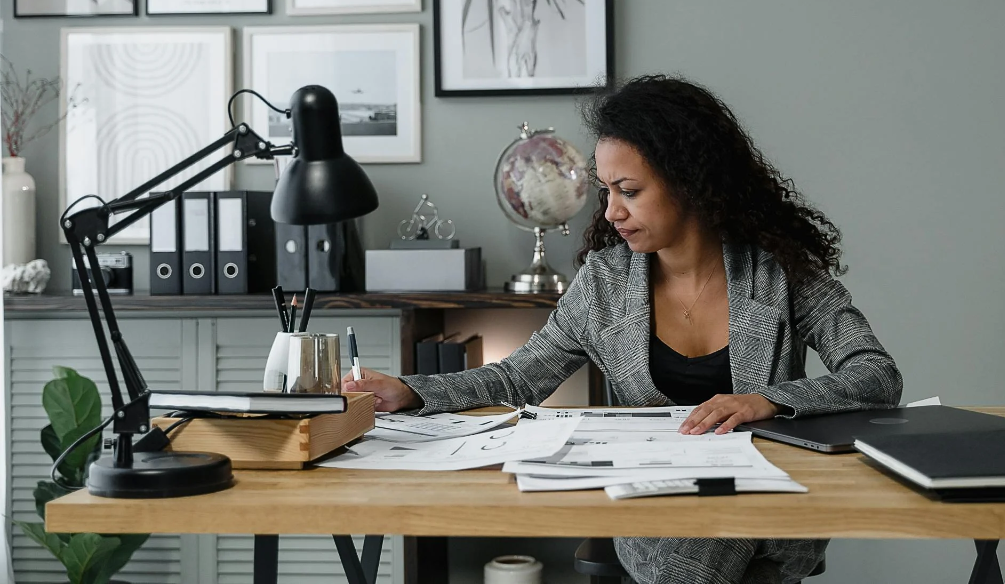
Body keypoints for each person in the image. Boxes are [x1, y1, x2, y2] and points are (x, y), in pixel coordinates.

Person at [344, 74, 903, 583]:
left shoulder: (778, 271)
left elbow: (876, 374)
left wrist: (769, 401)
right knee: (695, 563)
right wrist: (413, 389)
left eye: (629, 191)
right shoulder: (605, 283)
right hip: (654, 507)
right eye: (606, 189)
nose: (611, 211)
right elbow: (519, 379)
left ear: (690, 183)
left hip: (764, 500)